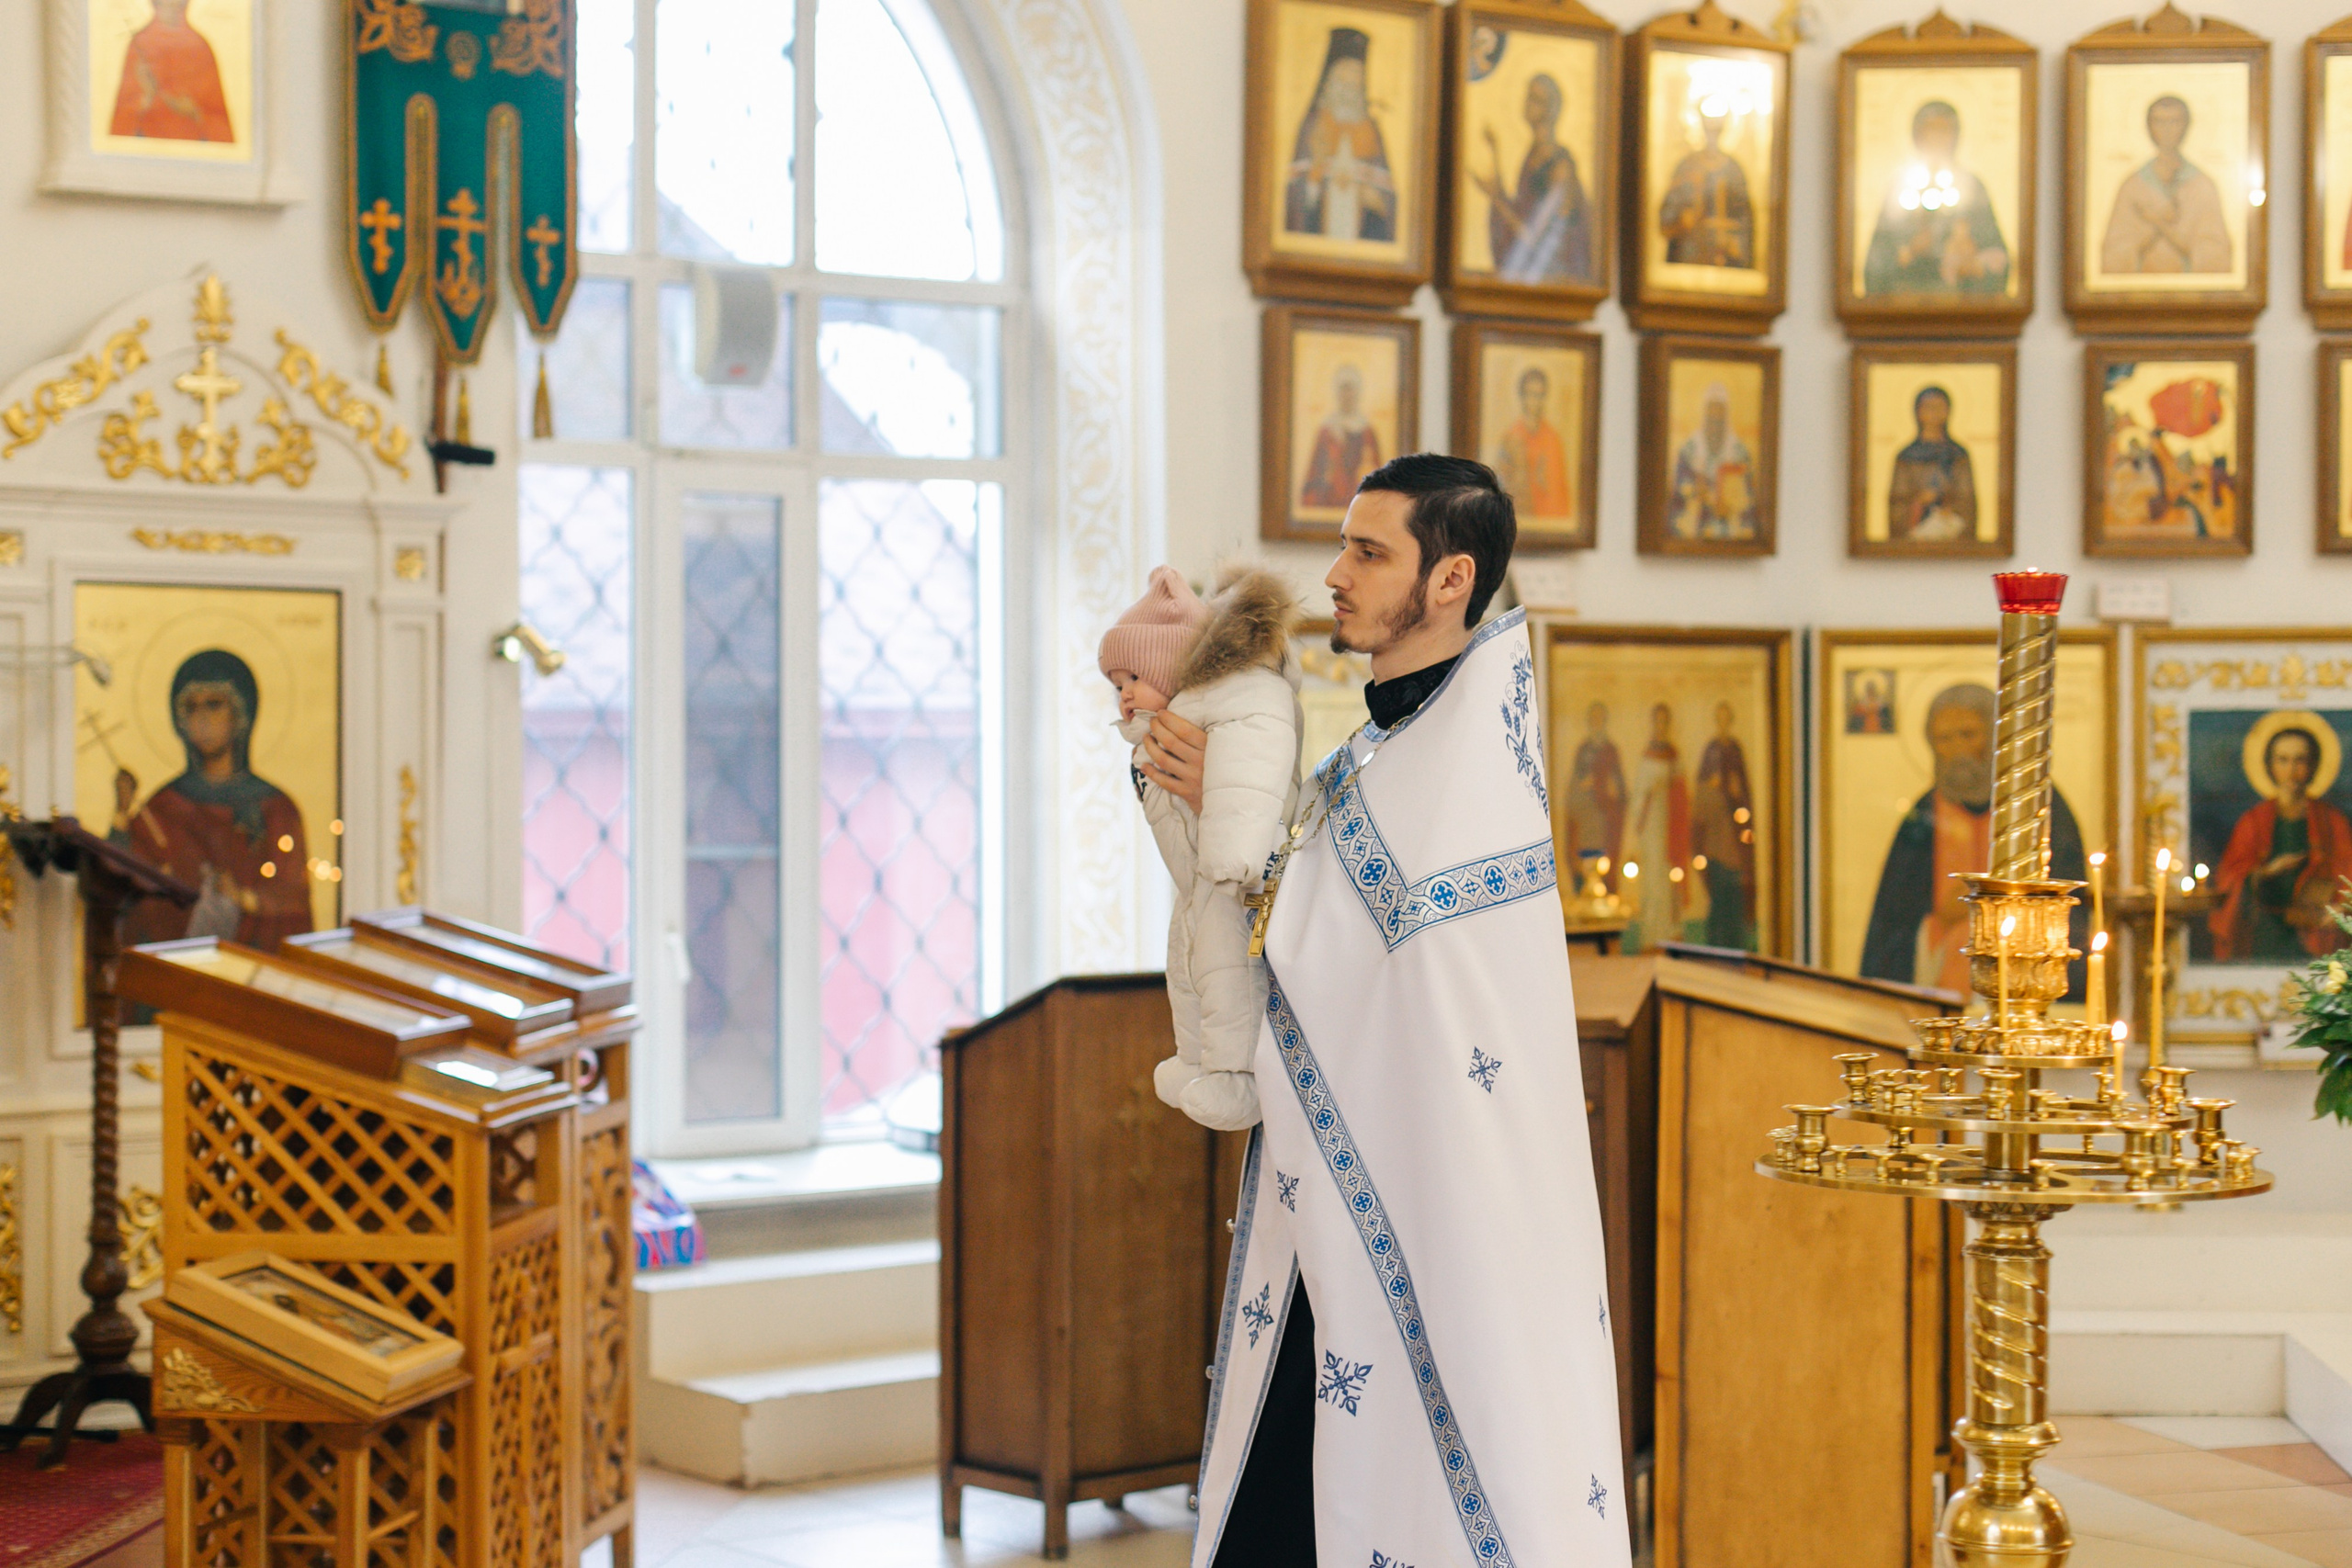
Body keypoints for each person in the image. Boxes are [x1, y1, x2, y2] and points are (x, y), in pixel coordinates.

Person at [1139, 455, 1623, 1568]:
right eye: (1344, 546)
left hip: (1441, 1206)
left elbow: (1348, 944)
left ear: (1450, 579)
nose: (1335, 576)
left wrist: (1237, 810)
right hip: (1356, 1182)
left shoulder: (1465, 768)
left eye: (1368, 551)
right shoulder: (1378, 749)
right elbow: (1302, 916)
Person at [1102, 565, 1304, 1131]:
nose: (1124, 696)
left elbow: (1250, 771)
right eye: (1116, 685)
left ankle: (1236, 1076)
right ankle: (1196, 1060)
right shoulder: (1172, 721)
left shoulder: (1245, 693)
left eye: (1134, 677)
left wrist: (1233, 847)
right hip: (1201, 881)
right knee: (1189, 967)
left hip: (1232, 871)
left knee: (1228, 970)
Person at [1860, 682, 2085, 992]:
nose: (1957, 750)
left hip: (2023, 978)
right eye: (1944, 739)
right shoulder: (1923, 817)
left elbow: (2071, 908)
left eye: (1968, 735)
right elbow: (1891, 928)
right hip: (1939, 981)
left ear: (1995, 738)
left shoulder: (2041, 806)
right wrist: (1936, 920)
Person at [115, 649, 313, 954]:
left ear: (240, 713)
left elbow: (295, 900)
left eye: (214, 705)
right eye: (191, 708)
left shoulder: (276, 809)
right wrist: (121, 813)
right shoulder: (162, 808)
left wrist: (245, 899)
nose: (202, 719)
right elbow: (121, 888)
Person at [2210, 724, 2352, 963]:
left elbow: (2348, 873)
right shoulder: (2253, 821)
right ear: (2270, 765)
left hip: (2319, 932)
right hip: (2265, 932)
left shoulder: (2332, 820)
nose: (2292, 770)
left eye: (2300, 760)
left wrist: (2342, 908)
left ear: (2313, 765)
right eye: (2283, 760)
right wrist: (2266, 871)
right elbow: (2228, 878)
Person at [1861, 100, 2009, 297]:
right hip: (1906, 306)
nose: (1937, 138)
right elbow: (1874, 269)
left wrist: (1972, 263)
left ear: (1956, 136)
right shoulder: (1900, 188)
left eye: (1944, 130)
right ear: (1917, 136)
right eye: (1930, 130)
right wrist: (1908, 252)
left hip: (1960, 308)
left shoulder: (1972, 189)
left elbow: (1999, 264)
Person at [1468, 73, 1592, 282]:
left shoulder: (1560, 167)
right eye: (1528, 97)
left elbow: (1535, 237)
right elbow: (1520, 211)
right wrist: (1495, 153)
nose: (1527, 104)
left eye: (1534, 99)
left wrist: (1496, 198)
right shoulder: (1532, 156)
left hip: (1551, 274)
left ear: (1549, 109)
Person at [1284, 28, 1396, 243]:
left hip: (1364, 231)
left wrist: (1376, 199)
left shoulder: (1371, 131)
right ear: (1331, 75)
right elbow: (1295, 195)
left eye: (1357, 73)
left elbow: (1389, 197)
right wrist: (1315, 176)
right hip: (1318, 226)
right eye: (1345, 70)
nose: (1351, 80)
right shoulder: (1313, 125)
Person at [2099, 95, 2232, 275]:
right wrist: (2152, 228)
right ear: (2149, 127)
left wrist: (2160, 223)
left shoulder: (2202, 186)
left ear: (2186, 126)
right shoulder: (2132, 186)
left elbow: (2216, 254)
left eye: (2174, 121)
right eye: (2159, 122)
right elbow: (2114, 253)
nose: (2167, 130)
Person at [108, 0, 235, 144]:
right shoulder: (139, 44)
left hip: (194, 146)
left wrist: (193, 111)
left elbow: (220, 121)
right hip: (145, 144)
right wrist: (146, 97)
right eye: (167, 2)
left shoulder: (200, 46)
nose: (172, 5)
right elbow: (120, 122)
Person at [1657, 102, 1754, 268]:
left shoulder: (1734, 171)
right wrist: (1682, 220)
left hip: (1726, 261)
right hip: (1688, 257)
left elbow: (1745, 221)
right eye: (1709, 129)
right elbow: (1666, 217)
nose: (1712, 135)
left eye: (1717, 130)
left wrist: (1733, 241)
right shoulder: (1686, 167)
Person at [1693, 701, 1756, 949]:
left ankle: (1734, 941)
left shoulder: (1736, 749)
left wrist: (1736, 792)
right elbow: (1701, 788)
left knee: (1734, 891)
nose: (1723, 723)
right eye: (1719, 718)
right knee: (1718, 891)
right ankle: (1716, 941)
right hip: (1716, 834)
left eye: (1726, 718)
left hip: (1736, 830)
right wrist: (1714, 786)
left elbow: (1744, 789)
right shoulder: (1711, 749)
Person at [1886, 385, 1978, 543]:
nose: (1934, 413)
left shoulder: (1958, 455)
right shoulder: (1906, 456)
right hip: (1915, 534)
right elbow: (1897, 503)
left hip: (1950, 532)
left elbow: (1967, 501)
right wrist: (1919, 501)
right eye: (1928, 407)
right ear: (1918, 412)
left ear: (1948, 411)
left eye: (1939, 407)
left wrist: (1949, 509)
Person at [1668, 382, 1756, 539]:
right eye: (1711, 414)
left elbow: (1748, 499)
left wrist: (1731, 504)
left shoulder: (1739, 453)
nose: (1715, 420)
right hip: (1695, 524)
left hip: (1730, 529)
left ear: (1727, 416)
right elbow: (1679, 493)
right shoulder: (1689, 450)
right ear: (1704, 414)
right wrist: (1695, 491)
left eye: (1720, 415)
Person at [1487, 366, 1574, 520]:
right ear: (1522, 395)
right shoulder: (1511, 438)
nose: (1534, 400)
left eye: (1539, 395)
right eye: (1530, 394)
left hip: (1548, 512)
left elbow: (1560, 491)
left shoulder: (1552, 439)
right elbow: (1500, 484)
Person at [1298, 364, 1382, 510]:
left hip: (1360, 499)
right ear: (1337, 392)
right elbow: (1314, 471)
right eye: (1343, 389)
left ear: (1357, 392)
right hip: (1330, 496)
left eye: (1351, 389)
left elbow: (1378, 471)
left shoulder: (1367, 431)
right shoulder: (1327, 430)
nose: (1347, 395)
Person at [1565, 700, 1626, 889]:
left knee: (1603, 865)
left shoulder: (1611, 751)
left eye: (1600, 718)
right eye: (1594, 718)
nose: (1597, 722)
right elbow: (1574, 788)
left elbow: (1620, 789)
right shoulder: (1583, 751)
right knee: (1584, 864)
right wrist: (1585, 785)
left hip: (1604, 821)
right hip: (1585, 819)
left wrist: (1608, 787)